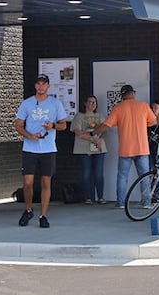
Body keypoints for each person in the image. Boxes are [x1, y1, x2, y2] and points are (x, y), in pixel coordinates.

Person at [14, 74, 69, 228]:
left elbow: (63, 125)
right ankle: (28, 209)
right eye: (38, 84)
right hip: (30, 148)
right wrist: (29, 136)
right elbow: (18, 125)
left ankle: (43, 215)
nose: (41, 86)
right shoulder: (27, 103)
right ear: (35, 86)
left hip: (48, 148)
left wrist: (52, 126)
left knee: (46, 181)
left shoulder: (55, 103)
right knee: (28, 182)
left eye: (43, 84)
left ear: (48, 86)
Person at [97, 84, 157, 206]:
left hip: (126, 149)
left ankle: (121, 203)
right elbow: (153, 121)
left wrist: (93, 132)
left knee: (122, 177)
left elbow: (106, 125)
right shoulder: (143, 106)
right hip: (142, 148)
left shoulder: (118, 108)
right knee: (144, 177)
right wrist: (141, 124)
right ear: (133, 93)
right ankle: (146, 202)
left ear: (122, 95)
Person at [71, 94, 106, 204]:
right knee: (86, 173)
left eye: (94, 102)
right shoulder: (79, 116)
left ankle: (100, 197)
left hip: (98, 148)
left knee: (98, 173)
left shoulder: (100, 115)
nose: (92, 104)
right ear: (85, 103)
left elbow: (104, 128)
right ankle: (88, 197)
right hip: (83, 148)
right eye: (90, 102)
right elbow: (78, 132)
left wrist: (88, 135)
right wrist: (93, 138)